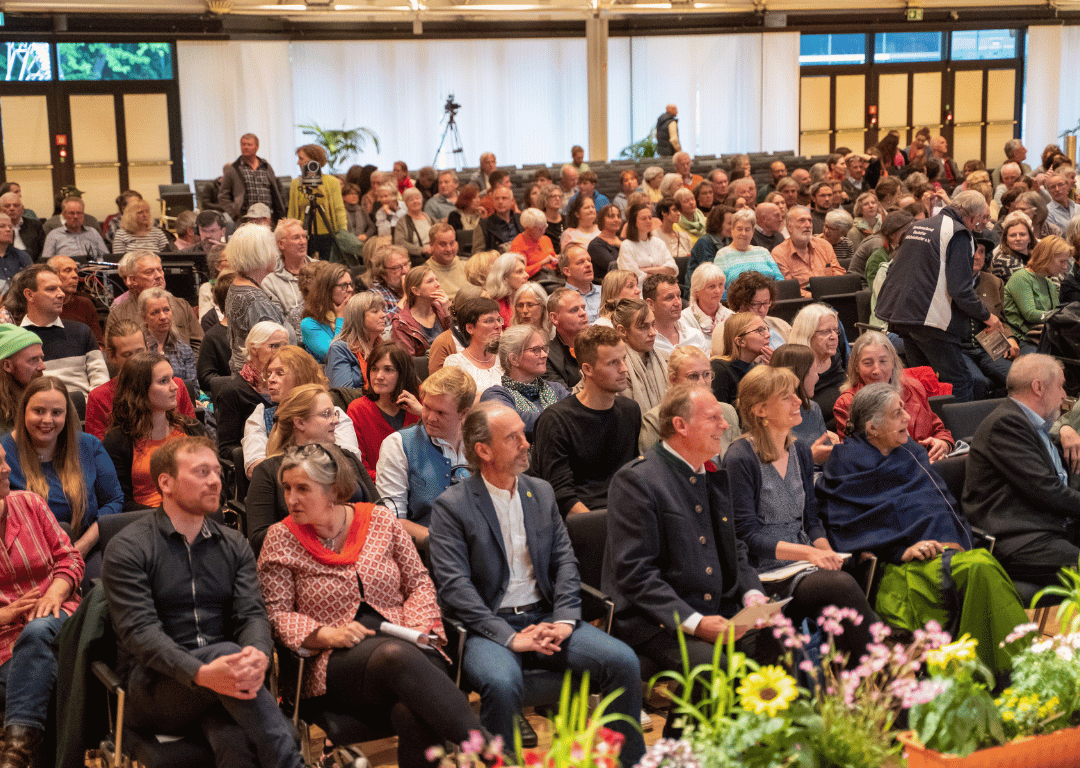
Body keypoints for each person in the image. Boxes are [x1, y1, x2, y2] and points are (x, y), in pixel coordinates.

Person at [429, 402, 646, 766]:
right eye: (512, 438)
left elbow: (565, 563)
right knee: (501, 682)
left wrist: (563, 620)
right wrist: (510, 637)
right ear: (483, 451)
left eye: (522, 434)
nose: (526, 443)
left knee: (623, 661)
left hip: (545, 615)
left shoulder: (541, 492)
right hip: (485, 626)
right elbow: (454, 588)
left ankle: (625, 762)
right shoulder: (452, 506)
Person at [257, 441, 481, 768]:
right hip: (333, 661)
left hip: (406, 642)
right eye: (287, 488)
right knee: (396, 657)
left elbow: (418, 581)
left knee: (413, 709)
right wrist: (324, 635)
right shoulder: (281, 538)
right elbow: (276, 613)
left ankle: (490, 753)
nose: (291, 499)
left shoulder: (379, 520)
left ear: (333, 490)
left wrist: (419, 628)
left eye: (303, 488)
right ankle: (493, 753)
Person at [102, 436, 306, 768]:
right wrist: (199, 672)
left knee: (233, 741)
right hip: (156, 687)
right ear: (165, 482)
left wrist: (257, 653)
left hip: (227, 683)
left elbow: (252, 613)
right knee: (227, 655)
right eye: (201, 472)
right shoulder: (129, 548)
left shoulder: (233, 543)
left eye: (216, 471)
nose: (215, 480)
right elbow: (140, 634)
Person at [603, 385, 782, 739]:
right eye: (713, 418)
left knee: (778, 640)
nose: (724, 426)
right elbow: (636, 575)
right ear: (680, 426)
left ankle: (754, 749)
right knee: (713, 669)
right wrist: (695, 622)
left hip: (720, 607)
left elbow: (736, 550)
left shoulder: (712, 472)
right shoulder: (637, 481)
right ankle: (681, 755)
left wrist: (752, 596)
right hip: (656, 620)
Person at [817, 383, 1029, 675]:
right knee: (979, 567)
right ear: (873, 428)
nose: (907, 418)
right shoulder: (845, 465)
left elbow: (941, 507)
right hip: (895, 568)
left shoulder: (910, 453)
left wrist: (949, 539)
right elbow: (847, 529)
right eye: (897, 413)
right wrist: (900, 550)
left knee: (982, 565)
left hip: (944, 552)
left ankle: (1000, 673)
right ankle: (1012, 674)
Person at [723, 367, 875, 657]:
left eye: (796, 393)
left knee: (850, 572)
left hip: (804, 560)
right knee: (840, 586)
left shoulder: (801, 451)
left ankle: (858, 674)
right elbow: (746, 536)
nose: (798, 401)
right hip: (766, 570)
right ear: (760, 409)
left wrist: (826, 551)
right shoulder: (741, 457)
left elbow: (811, 520)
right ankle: (883, 667)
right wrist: (810, 555)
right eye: (786, 397)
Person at [875, 191, 1005, 402]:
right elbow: (960, 289)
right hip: (930, 318)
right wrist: (987, 316)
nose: (979, 226)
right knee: (960, 381)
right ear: (972, 217)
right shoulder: (959, 233)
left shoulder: (919, 225)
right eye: (982, 220)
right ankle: (960, 434)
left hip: (902, 314)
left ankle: (928, 428)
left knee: (920, 381)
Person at [0, 438, 82, 768]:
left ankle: (14, 757)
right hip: (5, 642)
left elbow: (71, 559)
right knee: (46, 686)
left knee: (37, 630)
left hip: (59, 619)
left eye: (5, 460)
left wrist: (54, 594)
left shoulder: (30, 503)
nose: (7, 468)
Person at [965, 355, 1080, 587]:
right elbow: (1046, 490)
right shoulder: (1006, 424)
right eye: (1060, 386)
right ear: (1039, 387)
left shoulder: (1034, 425)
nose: (1064, 396)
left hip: (1048, 527)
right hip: (1020, 539)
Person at [3, 374, 121, 586]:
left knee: (104, 587)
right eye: (39, 411)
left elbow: (114, 501)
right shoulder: (3, 454)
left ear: (66, 415)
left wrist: (83, 545)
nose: (48, 420)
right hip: (25, 560)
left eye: (56, 413)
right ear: (23, 412)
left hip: (85, 548)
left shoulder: (88, 446)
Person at [245, 384, 375, 555]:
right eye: (326, 414)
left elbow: (379, 509)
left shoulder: (347, 458)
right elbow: (259, 538)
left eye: (334, 413)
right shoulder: (268, 471)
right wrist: (323, 531)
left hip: (360, 552)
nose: (336, 420)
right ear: (300, 423)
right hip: (302, 561)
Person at [529, 325, 640, 517]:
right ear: (587, 369)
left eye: (623, 359)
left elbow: (634, 475)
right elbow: (562, 496)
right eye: (613, 363)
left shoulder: (630, 410)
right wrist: (601, 528)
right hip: (584, 522)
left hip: (626, 514)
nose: (624, 369)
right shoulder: (556, 421)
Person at [376, 367, 473, 542]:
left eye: (441, 413)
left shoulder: (481, 442)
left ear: (464, 414)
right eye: (427, 407)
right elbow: (392, 521)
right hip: (426, 552)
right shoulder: (398, 445)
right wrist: (446, 543)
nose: (430, 418)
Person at [103, 352, 207, 510]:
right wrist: (169, 516)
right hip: (145, 523)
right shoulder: (117, 441)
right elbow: (120, 502)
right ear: (140, 390)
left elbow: (216, 481)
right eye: (164, 381)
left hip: (194, 514)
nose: (175, 386)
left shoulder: (192, 428)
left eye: (172, 378)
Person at [832, 331, 953, 461]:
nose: (877, 370)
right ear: (856, 366)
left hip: (932, 462)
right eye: (868, 363)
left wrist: (944, 443)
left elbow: (938, 429)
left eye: (883, 361)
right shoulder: (847, 403)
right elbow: (857, 456)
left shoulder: (913, 387)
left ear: (893, 362)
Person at [242, 345, 359, 477]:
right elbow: (255, 469)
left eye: (280, 373)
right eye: (269, 374)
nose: (271, 379)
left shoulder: (333, 413)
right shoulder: (260, 415)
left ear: (302, 376)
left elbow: (351, 462)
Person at [86, 319, 195, 440]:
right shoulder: (99, 398)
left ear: (148, 348)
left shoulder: (176, 386)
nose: (136, 359)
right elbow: (98, 451)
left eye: (140, 351)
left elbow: (192, 433)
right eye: (127, 355)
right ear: (112, 356)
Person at [10, 266, 107, 398]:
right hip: (41, 412)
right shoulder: (16, 340)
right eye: (51, 289)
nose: (61, 294)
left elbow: (101, 382)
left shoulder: (81, 331)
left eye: (60, 288)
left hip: (84, 410)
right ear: (29, 295)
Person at [639, 344, 739, 455]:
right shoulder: (655, 420)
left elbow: (737, 461)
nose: (702, 382)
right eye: (693, 376)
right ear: (673, 380)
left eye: (706, 374)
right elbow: (651, 468)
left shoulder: (728, 412)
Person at [214, 321, 290, 461]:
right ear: (254, 349)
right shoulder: (232, 392)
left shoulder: (291, 385)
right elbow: (227, 447)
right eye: (275, 346)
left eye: (286, 346)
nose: (282, 352)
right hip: (258, 464)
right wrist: (260, 456)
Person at [346, 341, 421, 481]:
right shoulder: (358, 409)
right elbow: (359, 469)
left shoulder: (421, 401)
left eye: (388, 369)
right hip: (380, 489)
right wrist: (398, 479)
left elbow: (448, 445)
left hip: (423, 486)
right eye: (374, 369)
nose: (379, 376)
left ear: (403, 374)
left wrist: (423, 413)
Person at [480, 324, 569, 440]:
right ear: (514, 359)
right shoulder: (495, 396)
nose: (544, 355)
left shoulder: (557, 389)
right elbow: (517, 424)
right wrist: (564, 418)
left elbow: (577, 417)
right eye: (536, 350)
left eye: (544, 349)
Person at [225, 224, 292, 374]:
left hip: (243, 377)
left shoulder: (237, 285)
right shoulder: (256, 301)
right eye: (271, 247)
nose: (276, 253)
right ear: (259, 254)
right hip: (261, 383)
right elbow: (271, 355)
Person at [105, 251, 203, 353]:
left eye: (160, 270)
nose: (158, 276)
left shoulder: (182, 306)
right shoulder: (119, 314)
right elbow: (112, 353)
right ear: (133, 280)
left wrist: (189, 366)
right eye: (149, 272)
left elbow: (199, 344)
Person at [769, 344, 837, 464]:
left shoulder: (812, 407)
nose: (817, 377)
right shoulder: (769, 416)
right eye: (814, 371)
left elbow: (828, 458)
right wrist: (810, 457)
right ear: (800, 374)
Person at [1003, 235, 1071, 347]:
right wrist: (1062, 317)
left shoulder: (1049, 282)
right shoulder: (1021, 277)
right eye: (1062, 261)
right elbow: (1030, 314)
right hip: (1022, 339)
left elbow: (1054, 313)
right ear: (1046, 257)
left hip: (1042, 338)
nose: (1065, 267)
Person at [788, 303, 846, 428]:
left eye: (836, 330)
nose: (834, 337)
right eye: (826, 331)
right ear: (807, 334)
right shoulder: (794, 365)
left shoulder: (834, 355)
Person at [287, 144, 346, 260]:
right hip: (304, 233)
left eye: (301, 158)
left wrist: (343, 232)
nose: (298, 163)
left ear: (314, 160)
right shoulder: (296, 183)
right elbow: (292, 212)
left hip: (328, 233)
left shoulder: (332, 182)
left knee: (327, 266)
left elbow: (339, 209)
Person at [610, 297, 666, 414]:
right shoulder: (616, 369)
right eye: (643, 327)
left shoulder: (664, 358)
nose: (653, 333)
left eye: (653, 325)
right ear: (622, 331)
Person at [219, 133, 287, 223]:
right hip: (245, 218)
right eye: (243, 144)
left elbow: (276, 190)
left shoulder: (266, 166)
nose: (246, 147)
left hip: (267, 218)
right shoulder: (233, 169)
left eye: (249, 144)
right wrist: (234, 215)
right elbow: (223, 196)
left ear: (257, 147)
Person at [443, 297, 504, 397]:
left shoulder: (505, 358)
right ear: (470, 328)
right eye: (489, 321)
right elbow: (457, 403)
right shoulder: (455, 364)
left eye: (498, 320)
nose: (498, 326)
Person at [326, 292, 387, 390]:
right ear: (358, 318)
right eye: (375, 311)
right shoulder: (340, 349)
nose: (383, 315)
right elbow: (344, 394)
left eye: (383, 310)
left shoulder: (385, 347)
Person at [714, 209, 784, 293]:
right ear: (732, 230)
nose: (743, 233)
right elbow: (720, 289)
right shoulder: (722, 255)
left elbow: (780, 281)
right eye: (739, 229)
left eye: (747, 229)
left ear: (753, 231)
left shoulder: (763, 252)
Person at [139, 287, 197, 385]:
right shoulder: (140, 349)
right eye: (155, 312)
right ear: (144, 317)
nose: (163, 317)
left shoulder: (184, 350)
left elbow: (193, 388)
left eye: (166, 310)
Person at [392, 265, 451, 357]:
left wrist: (448, 312)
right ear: (416, 291)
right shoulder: (401, 324)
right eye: (430, 281)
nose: (438, 284)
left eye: (436, 279)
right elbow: (409, 362)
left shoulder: (441, 309)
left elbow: (460, 342)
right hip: (424, 369)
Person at [300, 263, 353, 363]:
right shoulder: (309, 324)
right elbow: (336, 355)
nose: (350, 289)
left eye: (350, 284)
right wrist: (340, 317)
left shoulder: (354, 315)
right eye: (343, 285)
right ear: (327, 290)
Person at [645, 273, 707, 359]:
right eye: (669, 298)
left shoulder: (695, 336)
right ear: (651, 304)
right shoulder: (645, 342)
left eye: (678, 296)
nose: (678, 302)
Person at [47, 255, 104, 347]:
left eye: (76, 271)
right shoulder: (42, 305)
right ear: (51, 275)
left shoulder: (85, 304)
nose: (75, 276)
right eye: (67, 271)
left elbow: (98, 343)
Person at [710, 312, 767, 405]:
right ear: (740, 341)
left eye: (765, 329)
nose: (767, 334)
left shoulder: (755, 369)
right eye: (759, 330)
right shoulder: (719, 369)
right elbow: (721, 412)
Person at [260, 218, 313, 318]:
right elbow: (277, 320)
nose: (303, 242)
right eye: (296, 237)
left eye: (304, 237)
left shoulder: (321, 270)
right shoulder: (270, 282)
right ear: (281, 244)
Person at [618, 202, 677, 285]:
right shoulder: (627, 245)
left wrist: (646, 270)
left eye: (650, 218)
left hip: (662, 288)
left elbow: (673, 269)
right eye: (644, 218)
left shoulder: (658, 242)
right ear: (634, 222)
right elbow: (631, 276)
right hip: (638, 290)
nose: (649, 221)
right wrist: (660, 270)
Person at [0, 326, 45, 435]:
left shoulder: (54, 399)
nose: (42, 366)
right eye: (33, 360)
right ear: (7, 365)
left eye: (41, 358)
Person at [541, 288, 588, 390]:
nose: (583, 313)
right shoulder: (546, 356)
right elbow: (564, 398)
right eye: (574, 310)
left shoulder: (601, 344)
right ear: (554, 318)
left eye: (583, 308)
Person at [40, 196, 108, 261]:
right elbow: (47, 261)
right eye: (71, 213)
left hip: (93, 270)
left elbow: (106, 257)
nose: (75, 216)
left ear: (83, 214)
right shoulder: (54, 235)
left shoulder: (93, 232)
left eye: (79, 213)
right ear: (64, 215)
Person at [682, 262, 732, 351]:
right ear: (697, 291)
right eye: (712, 286)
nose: (718, 291)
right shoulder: (684, 319)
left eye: (720, 285)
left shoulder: (731, 316)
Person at [367, 243, 411, 321]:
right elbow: (382, 323)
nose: (405, 271)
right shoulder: (375, 296)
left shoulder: (417, 286)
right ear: (383, 273)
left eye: (406, 264)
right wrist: (405, 298)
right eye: (397, 267)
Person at [427, 223, 470, 301]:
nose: (449, 249)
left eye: (452, 243)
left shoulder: (469, 264)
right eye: (443, 244)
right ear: (431, 245)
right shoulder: (424, 273)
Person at [485, 253, 530, 327]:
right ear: (504, 277)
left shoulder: (530, 298)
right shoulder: (493, 306)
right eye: (519, 272)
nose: (526, 275)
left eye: (525, 271)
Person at [990, 210, 1035, 283]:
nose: (1018, 238)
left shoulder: (1036, 254)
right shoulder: (1003, 260)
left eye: (1022, 234)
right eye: (1013, 235)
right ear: (1006, 240)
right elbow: (1026, 284)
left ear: (1030, 238)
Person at [394, 188, 435, 264]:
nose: (415, 201)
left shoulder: (430, 219)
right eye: (411, 200)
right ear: (406, 204)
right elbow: (400, 243)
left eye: (417, 198)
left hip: (434, 252)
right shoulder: (402, 222)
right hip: (417, 257)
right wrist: (421, 249)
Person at [0, 193, 44, 262]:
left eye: (16, 205)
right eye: (7, 206)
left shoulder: (35, 225)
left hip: (33, 264)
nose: (12, 208)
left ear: (22, 209)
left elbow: (43, 250)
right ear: (1, 210)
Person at [587, 204, 622, 280]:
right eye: (611, 216)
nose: (616, 219)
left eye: (618, 216)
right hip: (606, 286)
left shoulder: (623, 240)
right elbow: (614, 267)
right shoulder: (595, 245)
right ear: (602, 220)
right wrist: (624, 246)